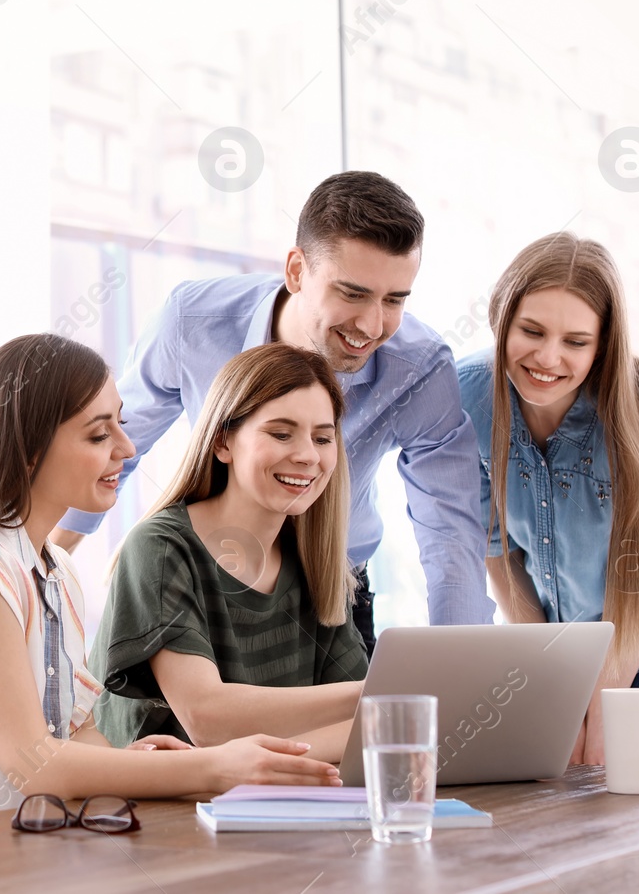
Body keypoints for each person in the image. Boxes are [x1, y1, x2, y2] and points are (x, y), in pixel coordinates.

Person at [0, 333, 344, 824]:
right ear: (28, 449)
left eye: (121, 426)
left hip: (6, 850)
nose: (127, 448)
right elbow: (33, 765)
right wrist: (213, 766)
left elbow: (79, 732)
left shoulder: (55, 568)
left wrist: (134, 763)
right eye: (98, 435)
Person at [52, 170, 494, 648]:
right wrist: (45, 564)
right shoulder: (192, 322)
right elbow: (117, 448)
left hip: (332, 591)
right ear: (297, 271)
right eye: (353, 293)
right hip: (208, 586)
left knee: (352, 723)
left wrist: (460, 668)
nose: (372, 325)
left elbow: (450, 528)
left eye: (394, 300)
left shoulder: (419, 366)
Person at [456, 233, 639, 767]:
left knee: (616, 780)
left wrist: (597, 715)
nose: (548, 357)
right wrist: (556, 688)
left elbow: (637, 593)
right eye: (531, 331)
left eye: (576, 341)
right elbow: (498, 554)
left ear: (603, 347)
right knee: (560, 782)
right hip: (557, 640)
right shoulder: (469, 400)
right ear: (501, 319)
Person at [90, 344, 367, 759]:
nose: (309, 455)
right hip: (149, 815)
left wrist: (245, 762)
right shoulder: (161, 548)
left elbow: (369, 728)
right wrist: (376, 693)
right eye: (281, 433)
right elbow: (207, 718)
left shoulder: (317, 562)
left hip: (268, 800)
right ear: (223, 443)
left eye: (322, 438)